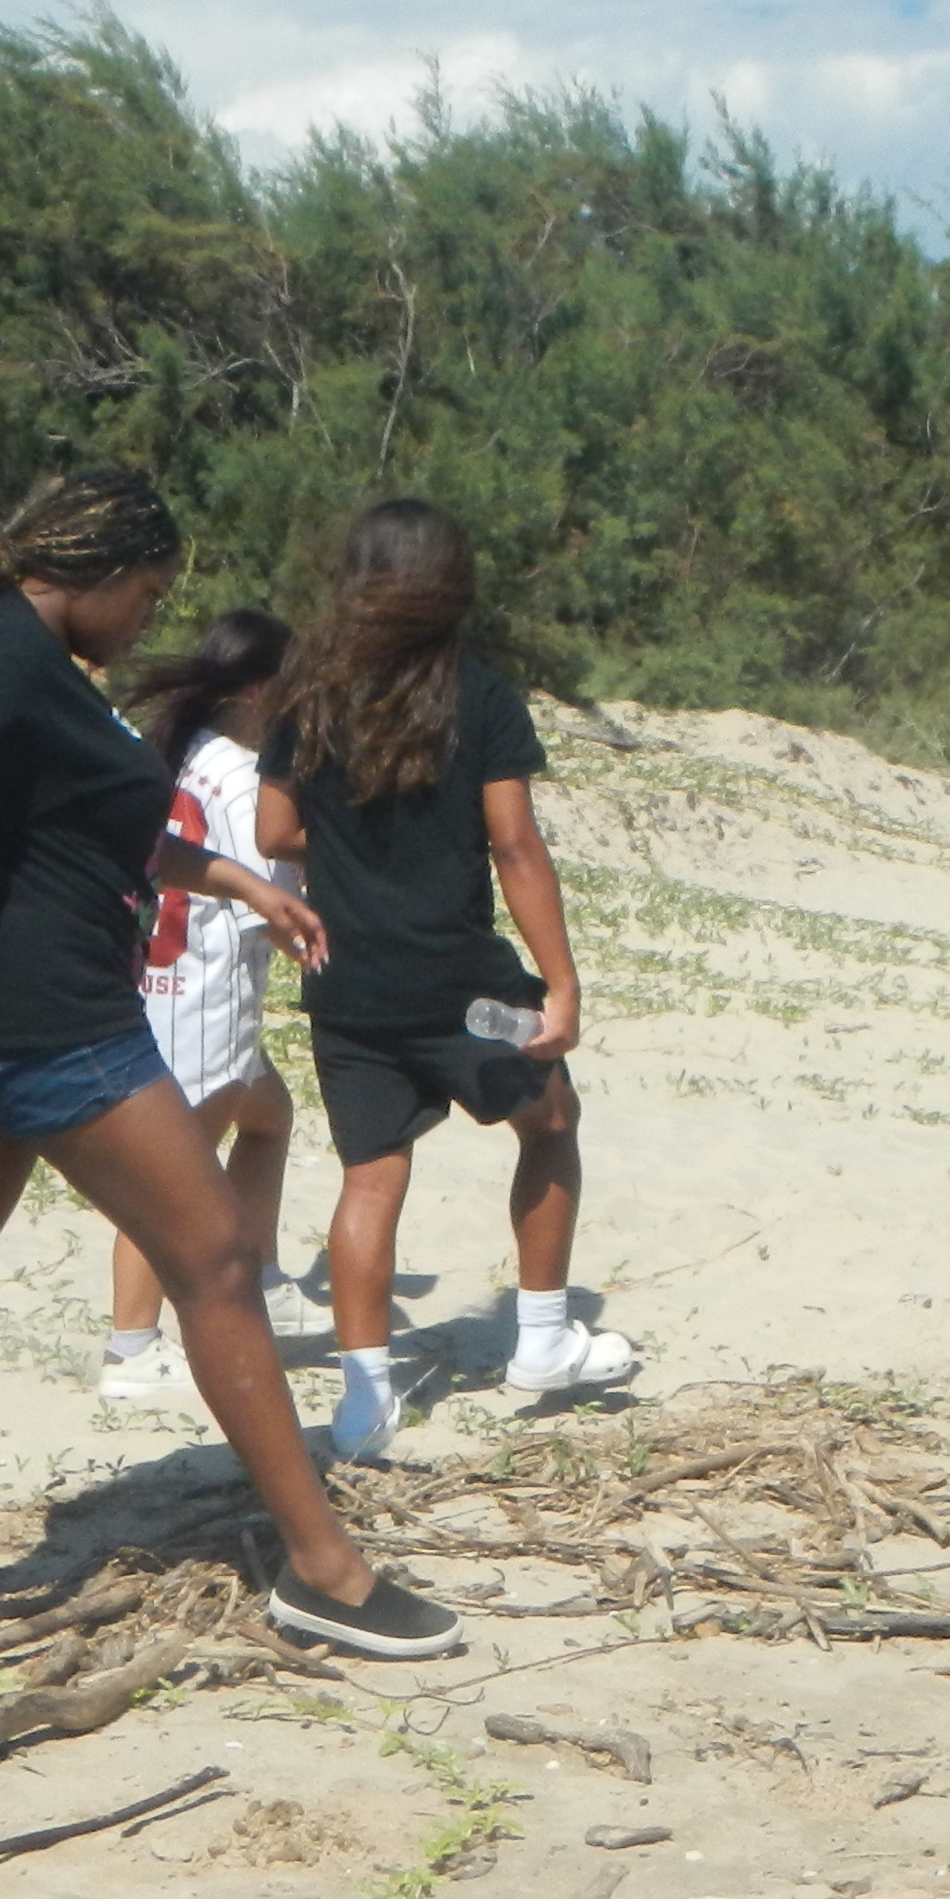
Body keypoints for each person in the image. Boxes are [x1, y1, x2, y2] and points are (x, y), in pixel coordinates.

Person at [0, 469, 463, 1664]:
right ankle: (326, 1574)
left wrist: (232, 879)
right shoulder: (1, 661)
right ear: (89, 570)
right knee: (220, 1261)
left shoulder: (28, 667)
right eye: (145, 590)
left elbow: (93, 822)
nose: (149, 616)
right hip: (51, 1023)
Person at [256, 497, 637, 1460]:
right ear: (451, 586)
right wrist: (560, 983)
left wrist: (350, 840)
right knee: (550, 1122)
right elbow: (515, 846)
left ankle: (364, 1400)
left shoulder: (306, 696)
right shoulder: (480, 695)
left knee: (370, 1180)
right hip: (468, 990)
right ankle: (545, 1337)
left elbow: (272, 833)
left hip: (347, 985)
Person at [96, 608, 327, 1401]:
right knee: (169, 1173)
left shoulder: (172, 751)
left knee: (269, 1117)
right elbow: (275, 892)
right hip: (206, 989)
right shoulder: (237, 775)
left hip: (154, 978)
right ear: (261, 689)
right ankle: (131, 1349)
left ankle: (261, 1279)